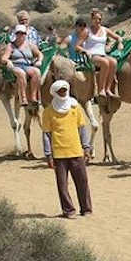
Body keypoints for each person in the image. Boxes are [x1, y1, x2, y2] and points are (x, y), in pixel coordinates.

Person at [42, 80, 93, 219]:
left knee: (82, 182)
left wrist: (86, 147)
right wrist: (48, 155)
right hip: (59, 154)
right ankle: (69, 210)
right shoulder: (48, 112)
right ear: (54, 92)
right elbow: (46, 134)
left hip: (76, 151)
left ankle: (86, 209)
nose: (63, 92)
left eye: (65, 90)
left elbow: (82, 129)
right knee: (62, 185)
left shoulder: (75, 108)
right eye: (60, 90)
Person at [74, 9, 122, 98]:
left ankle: (108, 89)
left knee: (114, 62)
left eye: (99, 19)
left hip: (102, 54)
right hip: (91, 55)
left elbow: (118, 37)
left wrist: (120, 42)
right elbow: (77, 46)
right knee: (105, 63)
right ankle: (101, 89)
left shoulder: (105, 30)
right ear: (91, 19)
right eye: (95, 19)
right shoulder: (87, 31)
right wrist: (85, 51)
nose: (98, 21)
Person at [2, 24, 44, 106]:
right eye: (18, 33)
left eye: (23, 33)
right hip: (15, 65)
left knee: (37, 72)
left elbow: (40, 54)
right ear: (15, 34)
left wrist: (40, 60)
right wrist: (8, 61)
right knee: (21, 73)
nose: (20, 35)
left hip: (27, 65)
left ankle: (33, 96)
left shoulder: (30, 45)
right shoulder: (11, 46)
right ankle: (23, 97)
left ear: (25, 35)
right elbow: (4, 58)